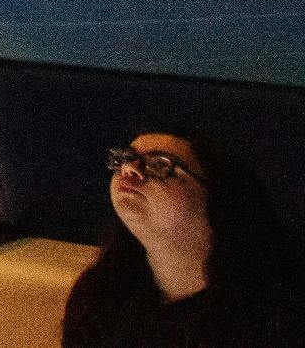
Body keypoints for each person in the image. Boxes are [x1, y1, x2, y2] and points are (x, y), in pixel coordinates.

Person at [63, 132, 300, 348]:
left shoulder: (275, 317)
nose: (128, 169)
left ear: (220, 200)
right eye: (125, 159)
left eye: (159, 165)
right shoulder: (99, 295)